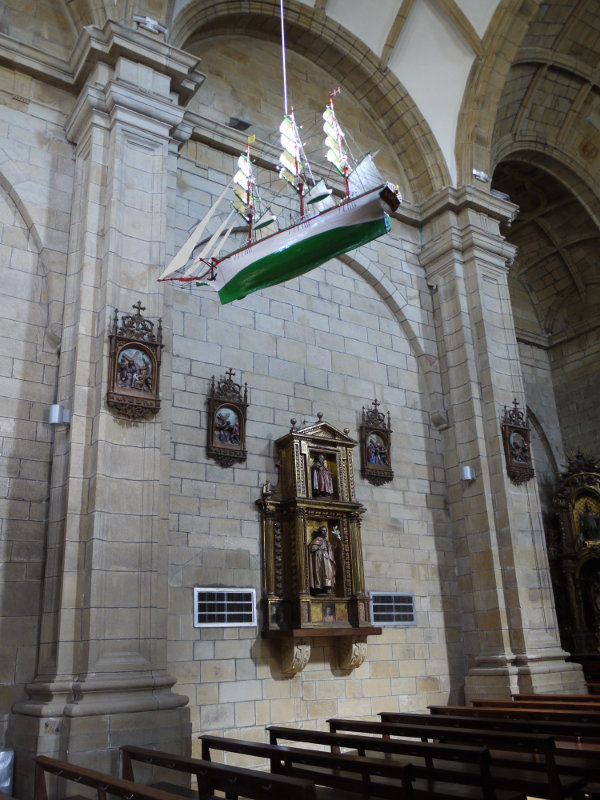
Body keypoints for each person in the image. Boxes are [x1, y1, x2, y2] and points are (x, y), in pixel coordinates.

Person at [308, 526, 336, 594]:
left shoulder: (326, 541)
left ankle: (328, 587)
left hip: (326, 558)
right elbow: (312, 548)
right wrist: (319, 548)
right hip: (319, 558)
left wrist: (334, 545)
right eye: (323, 530)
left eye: (325, 530)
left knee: (328, 572)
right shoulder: (317, 540)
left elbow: (330, 550)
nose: (325, 532)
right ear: (320, 532)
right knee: (320, 573)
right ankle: (319, 587)